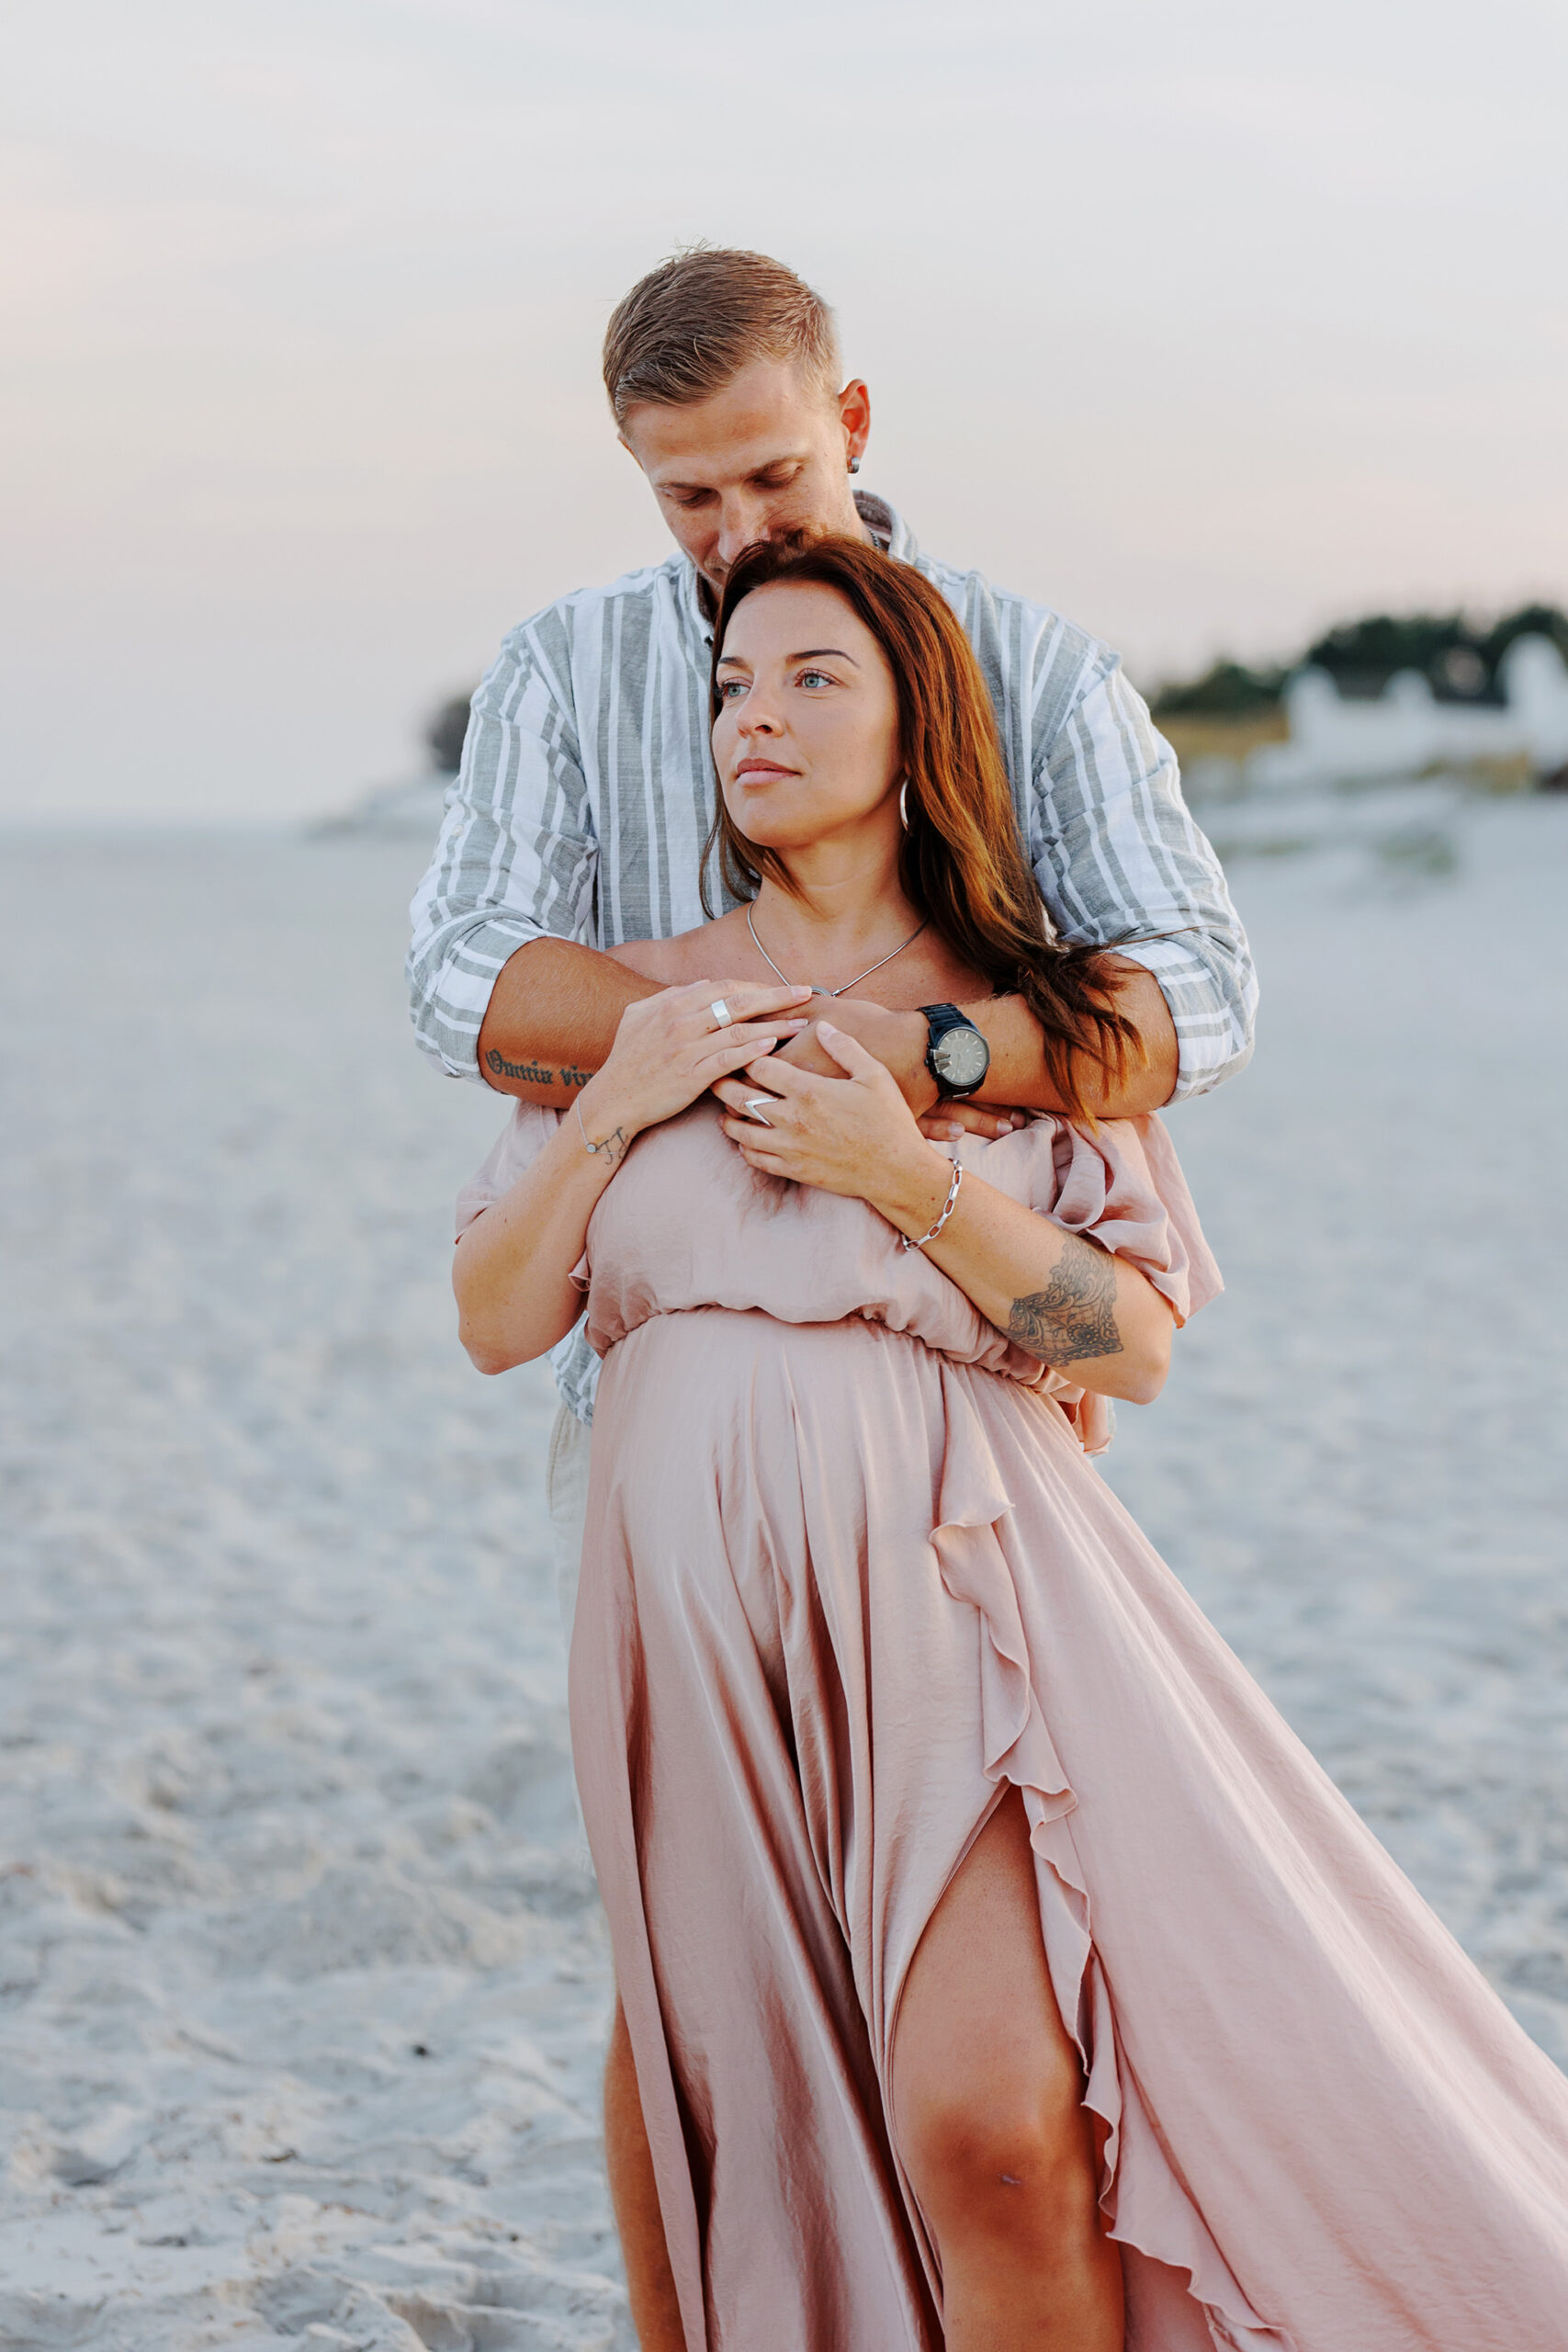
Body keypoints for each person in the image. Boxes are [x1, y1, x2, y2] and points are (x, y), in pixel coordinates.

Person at [450, 535, 1568, 2351]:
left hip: (958, 1608)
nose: (758, 711)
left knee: (996, 2137)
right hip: (690, 1639)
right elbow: (496, 1317)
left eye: (816, 675)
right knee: (752, 2123)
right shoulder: (620, 1001)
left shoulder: (1017, 1024)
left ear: (918, 724)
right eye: (732, 682)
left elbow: (1121, 1340)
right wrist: (615, 1111)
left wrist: (906, 1177)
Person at [407, 245, 1257, 1616]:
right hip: (656, 1407)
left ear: (849, 424)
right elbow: (458, 981)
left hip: (965, 1412)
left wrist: (925, 1056)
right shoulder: (563, 668)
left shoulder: (1033, 667)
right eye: (688, 495)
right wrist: (732, 1041)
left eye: (775, 474)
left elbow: (1198, 1000)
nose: (739, 530)